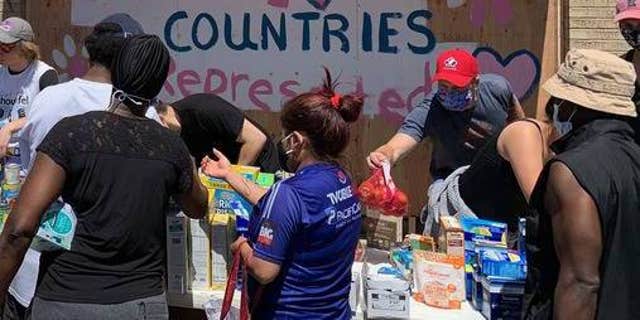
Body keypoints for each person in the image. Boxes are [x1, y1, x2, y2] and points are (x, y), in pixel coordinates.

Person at [0, 34, 208, 319]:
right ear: (160, 83)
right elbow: (198, 206)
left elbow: (19, 229)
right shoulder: (170, 146)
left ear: (116, 72)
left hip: (65, 300)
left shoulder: (72, 133)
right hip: (141, 304)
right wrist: (186, 159)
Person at [4, 18, 148, 319]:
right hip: (109, 282)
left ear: (89, 53)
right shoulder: (143, 113)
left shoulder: (47, 98)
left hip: (35, 270)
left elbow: (23, 211)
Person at [201, 69, 363, 319]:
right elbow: (286, 210)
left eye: (286, 137)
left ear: (297, 140)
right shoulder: (341, 181)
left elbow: (264, 271)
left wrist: (243, 247)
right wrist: (229, 174)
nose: (283, 143)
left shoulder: (289, 193)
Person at [524, 49, 640, 320]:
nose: (550, 108)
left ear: (568, 106)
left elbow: (581, 283)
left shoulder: (571, 171)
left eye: (555, 100)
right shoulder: (632, 156)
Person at [366, 48, 524, 235]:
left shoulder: (497, 89)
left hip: (496, 180)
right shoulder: (431, 109)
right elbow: (402, 139)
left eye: (457, 88)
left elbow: (519, 123)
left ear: (476, 82)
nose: (449, 94)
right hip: (453, 186)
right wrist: (385, 155)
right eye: (443, 86)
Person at [157, 93, 280, 173]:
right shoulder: (178, 132)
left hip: (259, 168)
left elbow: (256, 139)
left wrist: (234, 178)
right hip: (224, 177)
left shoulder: (204, 108)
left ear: (161, 120)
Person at [0, 17, 58, 159]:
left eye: (5, 47)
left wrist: (10, 127)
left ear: (25, 48)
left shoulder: (44, 75)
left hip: (29, 158)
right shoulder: (1, 72)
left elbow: (50, 116)